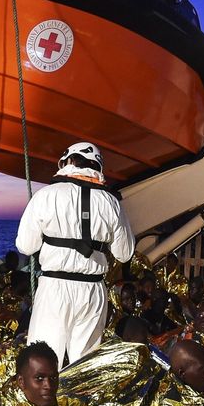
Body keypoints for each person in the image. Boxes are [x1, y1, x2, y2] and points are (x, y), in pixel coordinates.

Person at [16, 141, 135, 366]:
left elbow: (26, 246)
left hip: (54, 288)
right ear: (97, 167)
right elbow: (124, 253)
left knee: (43, 359)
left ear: (68, 161)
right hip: (93, 291)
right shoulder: (112, 202)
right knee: (85, 364)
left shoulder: (46, 195)